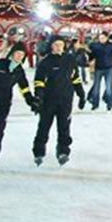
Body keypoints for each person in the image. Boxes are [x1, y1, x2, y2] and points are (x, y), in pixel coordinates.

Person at [32, 36, 86, 166]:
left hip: (66, 100)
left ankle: (63, 151)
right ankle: (39, 152)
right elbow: (39, 81)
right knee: (44, 127)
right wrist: (38, 97)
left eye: (61, 44)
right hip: (48, 100)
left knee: (64, 128)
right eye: (56, 44)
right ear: (51, 46)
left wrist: (81, 94)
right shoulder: (45, 62)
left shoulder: (69, 60)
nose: (58, 47)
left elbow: (75, 78)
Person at [0, 41, 37, 166]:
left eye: (22, 55)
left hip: (4, 103)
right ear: (12, 54)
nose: (19, 57)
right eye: (17, 54)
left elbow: (24, 88)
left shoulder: (19, 71)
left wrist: (31, 101)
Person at [88, 32, 112, 111]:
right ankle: (95, 103)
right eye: (100, 38)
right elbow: (92, 55)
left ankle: (109, 103)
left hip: (108, 68)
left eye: (103, 38)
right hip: (98, 68)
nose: (101, 40)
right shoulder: (95, 46)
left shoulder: (111, 46)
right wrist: (90, 60)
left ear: (107, 38)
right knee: (96, 87)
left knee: (109, 87)